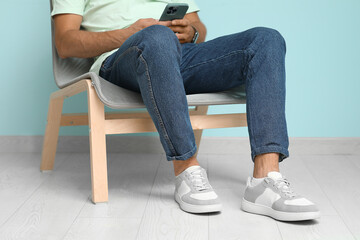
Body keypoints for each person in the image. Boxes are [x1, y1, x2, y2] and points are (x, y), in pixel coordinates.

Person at [52, 0, 320, 221]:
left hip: (181, 56)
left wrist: (190, 33)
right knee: (156, 37)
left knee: (266, 39)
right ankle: (187, 171)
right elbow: (65, 43)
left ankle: (264, 180)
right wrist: (130, 33)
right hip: (118, 60)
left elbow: (199, 30)